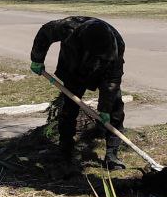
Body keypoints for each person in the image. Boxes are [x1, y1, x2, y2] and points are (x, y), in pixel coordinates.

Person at [30, 16, 127, 170]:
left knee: (115, 109)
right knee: (69, 108)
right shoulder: (68, 27)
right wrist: (37, 58)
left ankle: (112, 155)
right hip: (74, 66)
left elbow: (113, 80)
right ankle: (66, 150)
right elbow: (45, 33)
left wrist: (105, 108)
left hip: (105, 72)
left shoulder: (116, 45)